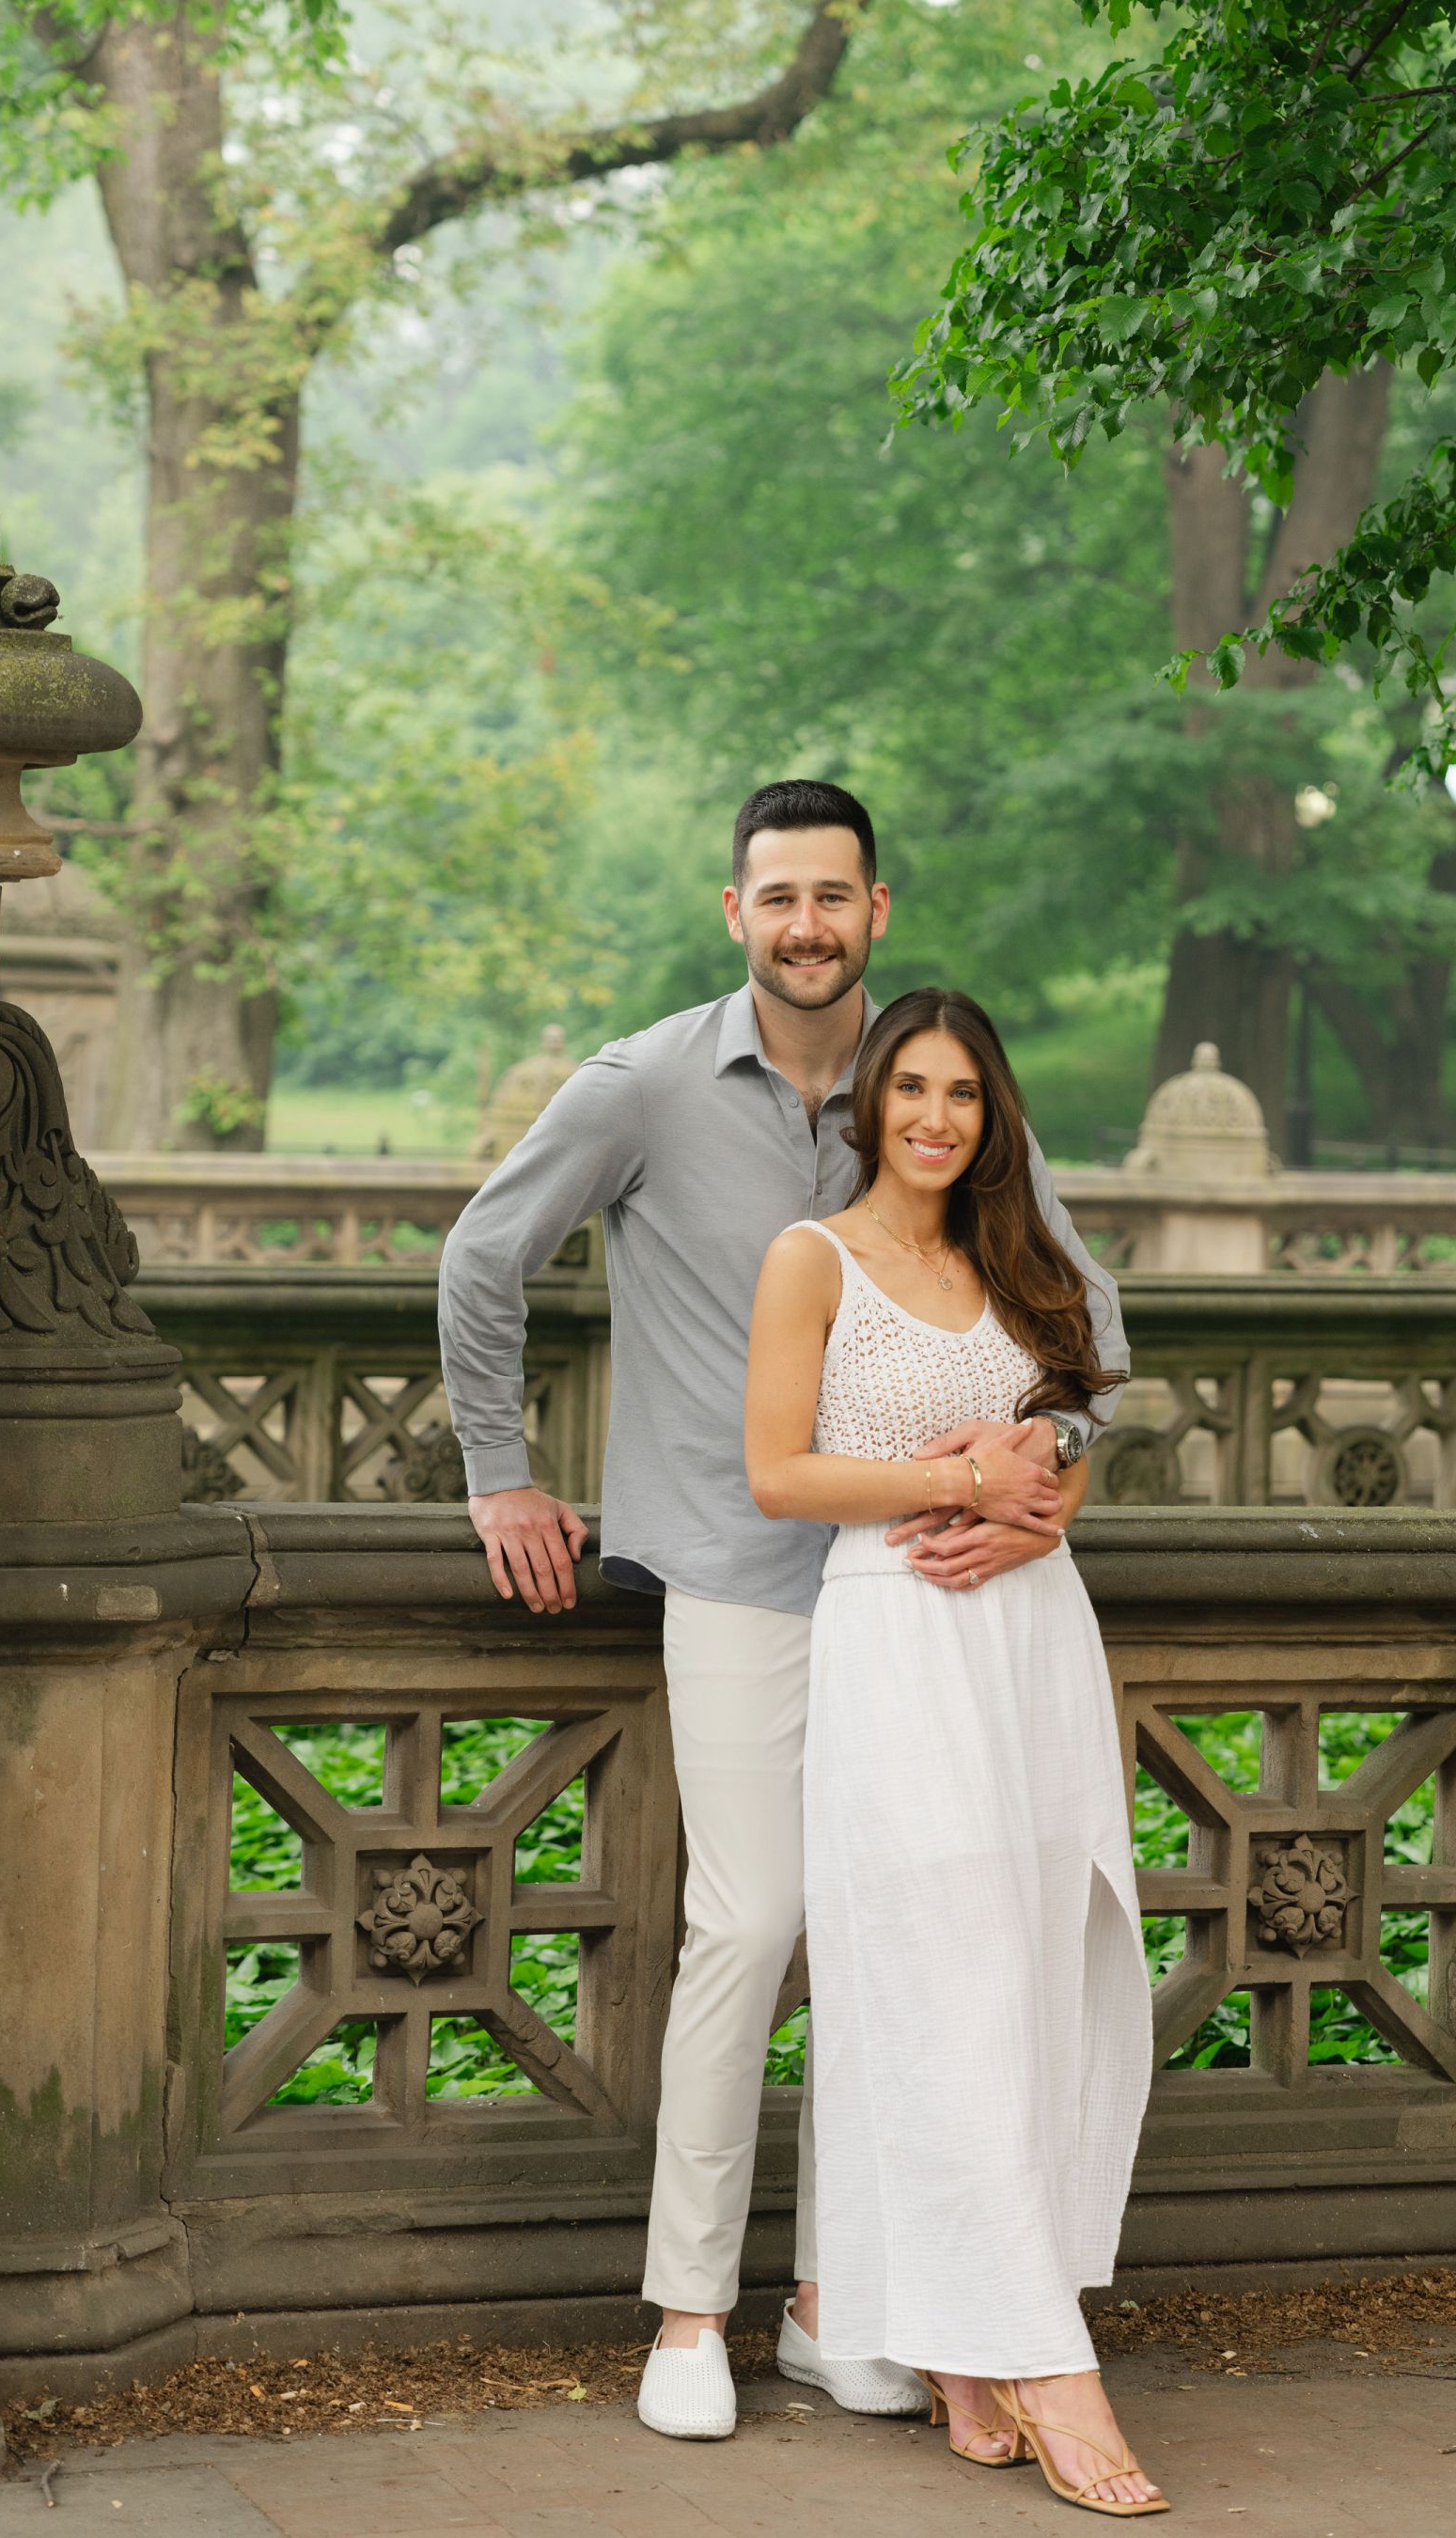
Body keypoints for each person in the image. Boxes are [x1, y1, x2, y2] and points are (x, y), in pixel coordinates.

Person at [437, 781, 1122, 2442]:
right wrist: (500, 1476)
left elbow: (1086, 1324)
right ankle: (690, 2313)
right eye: (778, 898)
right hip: (744, 1581)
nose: (807, 923)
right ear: (733, 911)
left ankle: (839, 2307)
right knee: (749, 1929)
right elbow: (483, 1254)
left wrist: (1047, 1463)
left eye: (836, 896)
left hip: (930, 1602)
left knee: (898, 1943)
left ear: (877, 910)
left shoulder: (927, 1089)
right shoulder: (648, 1085)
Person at [744, 987, 1165, 2518]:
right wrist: (950, 1475)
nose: (936, 1117)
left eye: (965, 1095)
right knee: (942, 1972)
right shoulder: (815, 1259)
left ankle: (962, 2339)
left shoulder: (1019, 1258)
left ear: (995, 1115)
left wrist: (1046, 1478)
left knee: (1043, 1966)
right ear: (870, 1103)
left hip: (1034, 1636)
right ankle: (1046, 2364)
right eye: (911, 1089)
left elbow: (1073, 1406)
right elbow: (777, 1473)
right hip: (900, 1639)